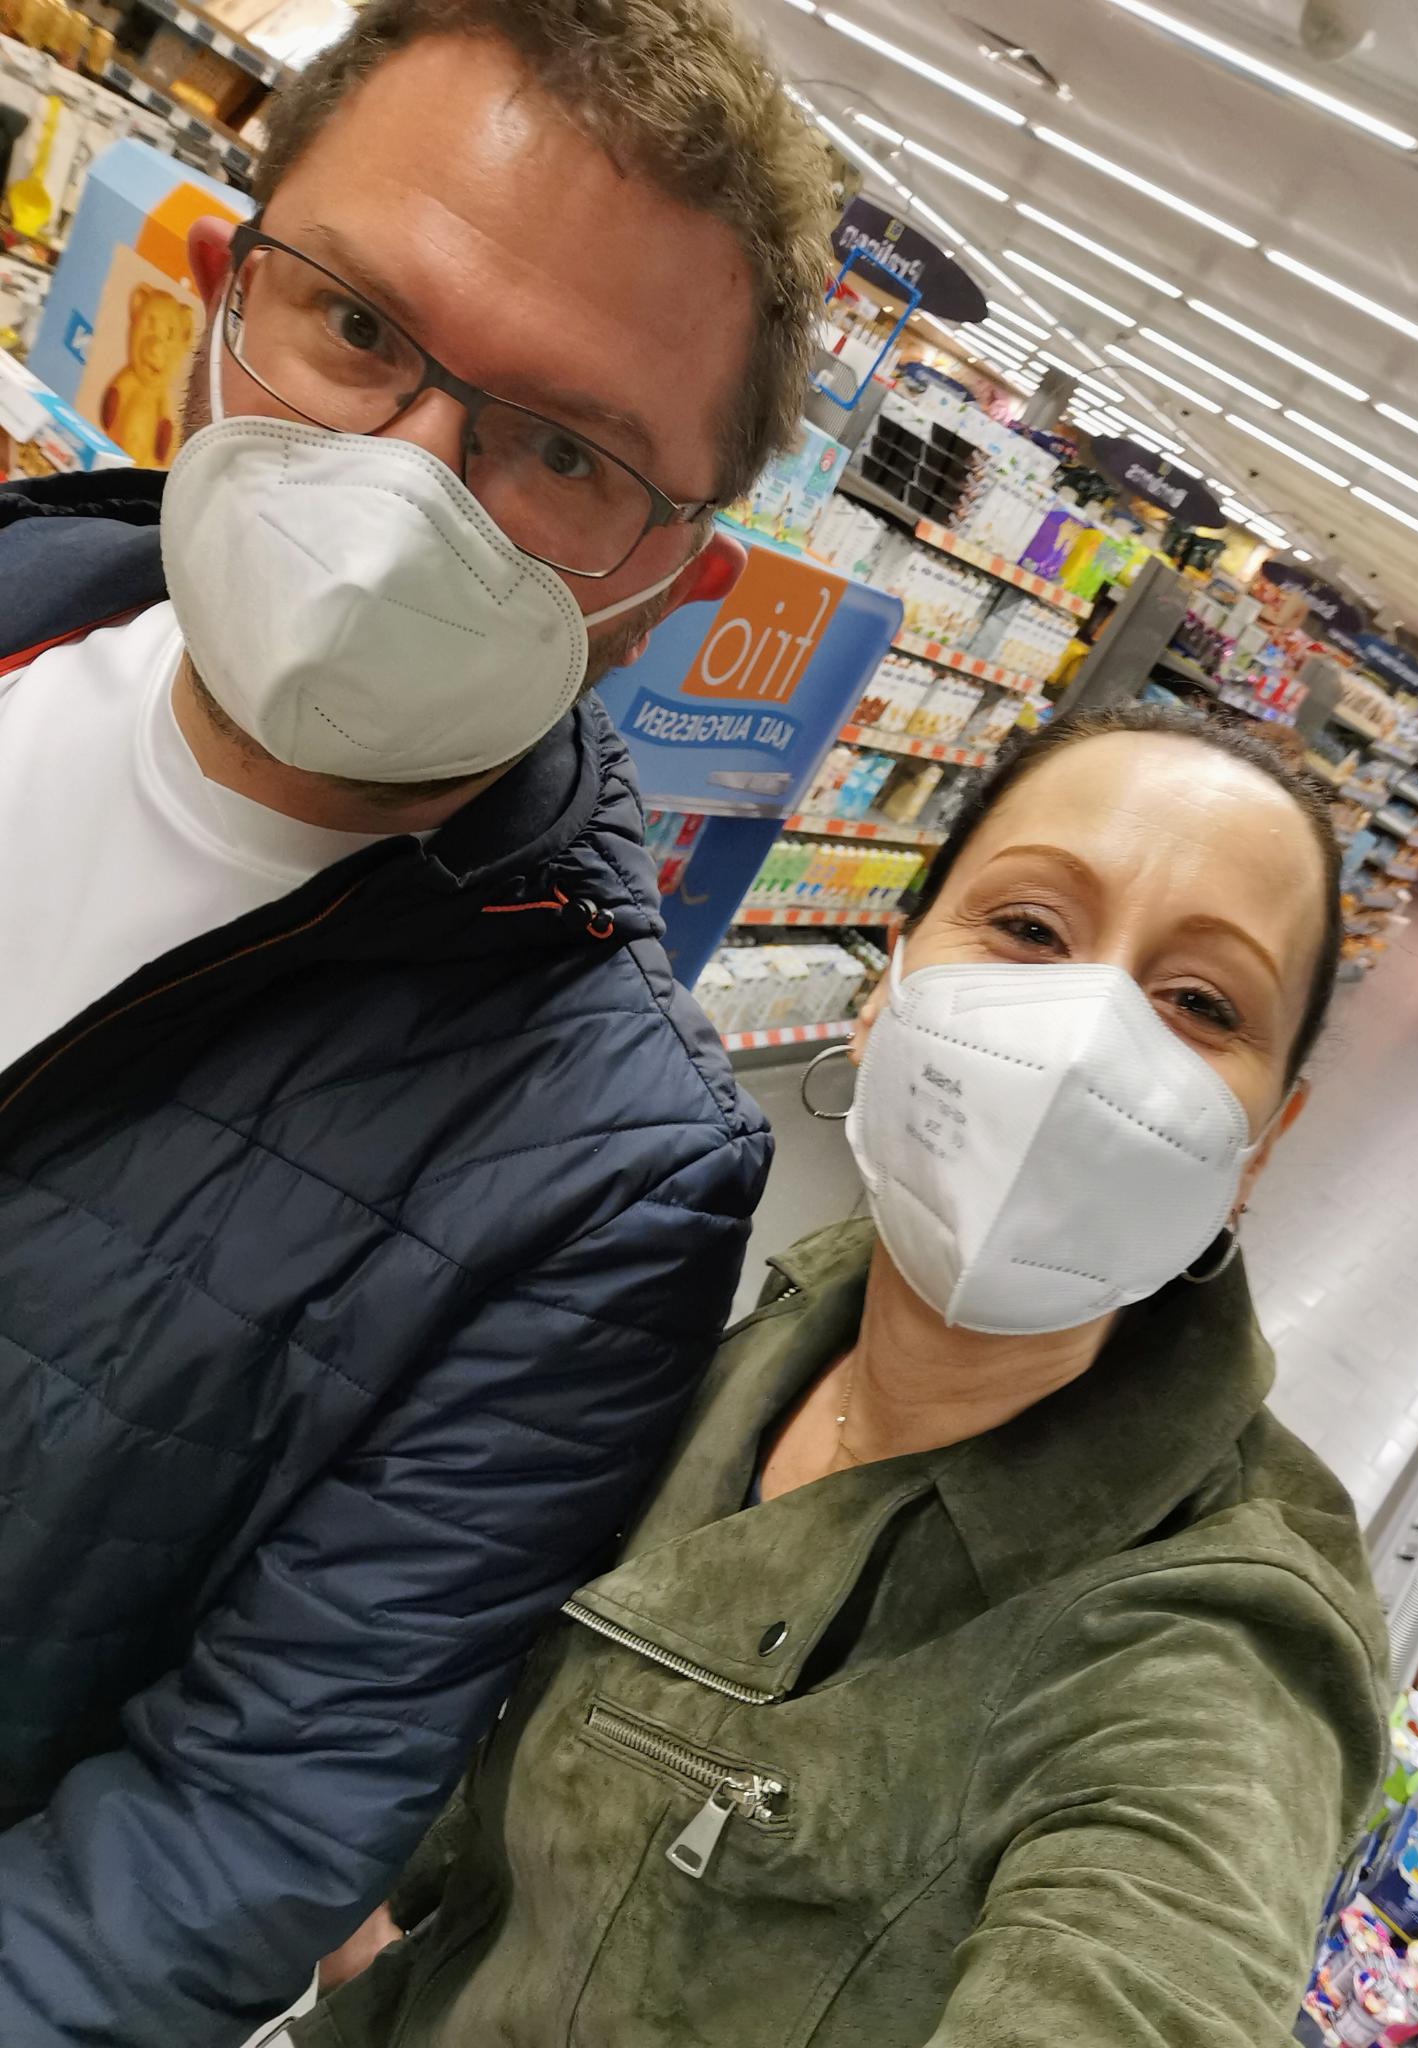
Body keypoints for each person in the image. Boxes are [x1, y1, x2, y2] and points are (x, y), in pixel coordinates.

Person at [0, 2, 834, 2040]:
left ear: (674, 584)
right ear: (226, 289)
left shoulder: (606, 1178)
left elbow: (233, 1824)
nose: (402, 483)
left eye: (563, 452)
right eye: (360, 325)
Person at [298, 704, 1391, 2048]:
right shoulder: (743, 1329)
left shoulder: (1213, 1642)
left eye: (1203, 1005)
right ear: (889, 987)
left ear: (1261, 1141)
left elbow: (1158, 1956)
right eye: (1030, 928)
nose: (1085, 1041)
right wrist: (367, 1921)